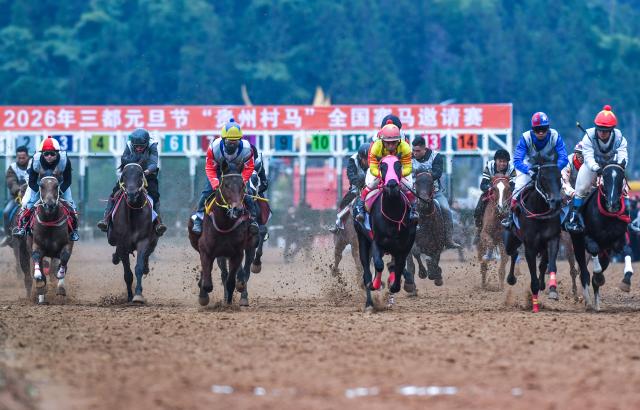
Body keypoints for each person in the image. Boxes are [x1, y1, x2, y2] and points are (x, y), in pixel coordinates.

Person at [566, 105, 628, 233]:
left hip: (612, 166)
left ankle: (626, 216)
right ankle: (575, 217)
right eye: (600, 129)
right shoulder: (588, 136)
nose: (602, 132)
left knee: (623, 188)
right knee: (581, 188)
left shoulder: (620, 137)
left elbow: (623, 156)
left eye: (606, 130)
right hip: (592, 166)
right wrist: (597, 168)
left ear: (612, 129)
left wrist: (620, 166)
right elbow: (588, 157)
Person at [191, 118, 259, 235]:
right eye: (229, 142)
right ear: (223, 139)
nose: (232, 144)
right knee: (207, 192)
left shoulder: (248, 149)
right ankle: (199, 217)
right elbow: (210, 168)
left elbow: (248, 167)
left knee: (247, 193)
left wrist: (242, 181)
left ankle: (253, 220)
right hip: (218, 170)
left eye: (235, 142)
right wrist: (215, 183)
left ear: (240, 140)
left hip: (238, 172)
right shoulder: (214, 148)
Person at [502, 112, 568, 228]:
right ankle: (510, 217)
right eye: (537, 130)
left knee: (561, 188)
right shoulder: (526, 138)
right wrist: (529, 171)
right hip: (529, 167)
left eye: (543, 129)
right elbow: (517, 160)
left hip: (549, 167)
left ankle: (566, 218)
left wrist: (555, 170)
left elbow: (564, 157)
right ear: (533, 129)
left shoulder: (555, 136)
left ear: (548, 127)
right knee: (518, 186)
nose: (541, 132)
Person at [97, 128, 167, 235]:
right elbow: (124, 160)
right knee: (114, 192)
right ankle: (106, 220)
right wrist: (135, 165)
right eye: (136, 146)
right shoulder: (129, 144)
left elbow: (153, 163)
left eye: (141, 146)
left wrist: (145, 172)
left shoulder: (153, 145)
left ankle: (158, 222)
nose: (138, 148)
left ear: (147, 143)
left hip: (147, 174)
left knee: (154, 194)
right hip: (131, 175)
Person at [13, 137, 79, 241]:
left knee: (71, 205)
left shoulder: (64, 160)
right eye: (46, 153)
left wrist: (58, 190)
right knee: (28, 204)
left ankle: (73, 231)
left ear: (57, 153)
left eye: (52, 154)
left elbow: (68, 181)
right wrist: (41, 191)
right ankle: (22, 228)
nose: (49, 156)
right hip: (39, 184)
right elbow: (32, 182)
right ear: (42, 154)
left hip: (60, 184)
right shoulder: (35, 160)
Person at [353, 121, 416, 223]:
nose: (391, 146)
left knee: (409, 187)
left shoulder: (405, 147)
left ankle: (414, 210)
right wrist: (385, 176)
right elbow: (372, 167)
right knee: (369, 186)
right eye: (387, 143)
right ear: (382, 141)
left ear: (399, 141)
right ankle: (361, 210)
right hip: (380, 172)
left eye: (394, 142)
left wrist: (396, 175)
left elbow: (408, 167)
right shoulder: (376, 147)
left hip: (399, 172)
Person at [412, 135, 460, 249]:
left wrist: (424, 177)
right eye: (413, 150)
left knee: (446, 210)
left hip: (434, 193)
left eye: (418, 151)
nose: (415, 153)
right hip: (414, 193)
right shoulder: (408, 157)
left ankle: (448, 238)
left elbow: (437, 173)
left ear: (425, 149)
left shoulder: (435, 156)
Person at [329, 142, 370, 233]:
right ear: (360, 157)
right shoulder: (353, 160)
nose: (368, 162)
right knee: (344, 202)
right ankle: (338, 223)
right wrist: (360, 185)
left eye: (369, 159)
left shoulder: (376, 158)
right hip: (357, 187)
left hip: (372, 186)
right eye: (365, 159)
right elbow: (350, 175)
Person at [473, 149, 515, 232]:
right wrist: (491, 188)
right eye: (500, 161)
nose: (502, 164)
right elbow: (483, 185)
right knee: (478, 208)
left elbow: (513, 185)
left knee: (517, 206)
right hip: (492, 191)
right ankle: (479, 228)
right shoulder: (489, 166)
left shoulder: (512, 169)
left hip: (506, 193)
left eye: (505, 162)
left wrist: (506, 190)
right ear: (495, 161)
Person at [1, 146, 30, 247]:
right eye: (19, 157)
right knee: (6, 212)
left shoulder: (33, 165)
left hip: (32, 197)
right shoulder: (12, 168)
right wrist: (18, 190)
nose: (21, 159)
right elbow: (11, 181)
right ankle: (8, 236)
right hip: (16, 198)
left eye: (23, 157)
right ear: (16, 157)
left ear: (27, 156)